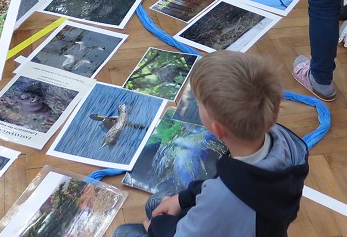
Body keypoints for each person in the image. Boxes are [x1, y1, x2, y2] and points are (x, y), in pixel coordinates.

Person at [112, 51, 309, 237]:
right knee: (157, 201)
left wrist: (156, 227)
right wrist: (183, 198)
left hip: (229, 216)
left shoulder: (221, 197)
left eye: (198, 104)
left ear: (218, 129)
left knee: (124, 232)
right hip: (253, 219)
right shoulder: (288, 145)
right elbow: (221, 182)